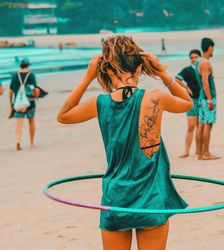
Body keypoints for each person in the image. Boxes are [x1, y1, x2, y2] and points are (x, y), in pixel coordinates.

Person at [57, 35, 193, 250]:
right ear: (139, 69)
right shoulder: (155, 97)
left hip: (116, 198)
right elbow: (187, 102)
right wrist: (162, 74)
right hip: (150, 197)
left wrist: (87, 77)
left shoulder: (99, 103)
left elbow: (63, 115)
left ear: (108, 70)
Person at [195, 38, 220, 160]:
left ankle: (200, 153)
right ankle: (206, 153)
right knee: (207, 125)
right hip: (207, 98)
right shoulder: (205, 62)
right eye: (213, 48)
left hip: (201, 97)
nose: (213, 50)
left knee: (201, 124)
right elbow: (205, 82)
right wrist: (210, 99)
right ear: (210, 47)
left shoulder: (198, 61)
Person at [175, 49, 201, 158]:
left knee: (200, 126)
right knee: (191, 127)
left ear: (200, 57)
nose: (194, 59)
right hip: (192, 101)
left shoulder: (203, 69)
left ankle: (199, 151)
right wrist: (186, 88)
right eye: (192, 57)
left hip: (202, 100)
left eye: (196, 57)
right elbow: (176, 79)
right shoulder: (187, 70)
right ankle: (186, 151)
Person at [9, 58, 39, 150]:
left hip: (18, 103)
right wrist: (37, 96)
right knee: (31, 121)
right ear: (28, 65)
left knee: (19, 122)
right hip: (30, 102)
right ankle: (32, 142)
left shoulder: (14, 76)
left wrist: (11, 103)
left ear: (20, 65)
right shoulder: (31, 75)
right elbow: (35, 89)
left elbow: (11, 91)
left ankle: (18, 141)